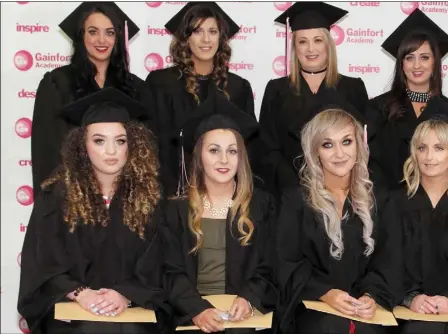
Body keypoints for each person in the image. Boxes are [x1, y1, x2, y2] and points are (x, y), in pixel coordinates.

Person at [18, 88, 169, 334]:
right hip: (72, 309)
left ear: (132, 145)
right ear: (82, 146)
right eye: (99, 140)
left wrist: (125, 294)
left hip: (133, 309)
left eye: (120, 141)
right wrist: (81, 294)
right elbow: (43, 261)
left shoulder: (150, 197)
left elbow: (161, 262)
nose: (111, 151)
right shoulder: (56, 196)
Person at [274, 108, 402, 333]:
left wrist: (371, 296)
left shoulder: (380, 199)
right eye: (328, 145)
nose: (339, 153)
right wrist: (326, 293)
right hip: (312, 306)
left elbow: (389, 261)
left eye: (346, 141)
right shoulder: (296, 200)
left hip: (365, 310)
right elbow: (286, 262)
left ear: (359, 145)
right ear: (315, 152)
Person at [160, 90, 277, 333]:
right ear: (199, 157)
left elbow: (270, 265)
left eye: (232, 151)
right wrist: (196, 309)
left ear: (241, 157)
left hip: (244, 316)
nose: (224, 160)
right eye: (214, 150)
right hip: (191, 316)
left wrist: (248, 298)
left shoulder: (260, 206)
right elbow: (170, 271)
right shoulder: (177, 210)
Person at [32, 2, 152, 195]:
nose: (101, 40)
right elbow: (45, 149)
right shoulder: (57, 84)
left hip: (123, 198)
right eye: (93, 32)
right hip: (72, 196)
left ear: (118, 38)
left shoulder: (136, 88)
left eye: (110, 33)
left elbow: (144, 150)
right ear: (81, 36)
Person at [147, 2, 257, 197]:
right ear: (186, 38)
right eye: (197, 31)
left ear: (221, 38)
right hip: (175, 192)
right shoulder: (161, 84)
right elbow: (154, 142)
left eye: (213, 31)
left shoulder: (238, 88)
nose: (206, 39)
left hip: (225, 194)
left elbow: (246, 149)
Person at [258, 2, 369, 196]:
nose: (310, 49)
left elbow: (361, 146)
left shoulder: (352, 88)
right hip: (289, 193)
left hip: (341, 193)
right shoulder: (276, 90)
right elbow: (268, 149)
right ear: (294, 47)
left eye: (317, 40)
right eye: (302, 41)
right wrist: (294, 185)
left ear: (328, 44)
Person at [393, 114, 448, 334]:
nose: (429, 156)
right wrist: (410, 298)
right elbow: (386, 261)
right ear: (414, 153)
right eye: (422, 148)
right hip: (405, 312)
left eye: (439, 148)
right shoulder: (395, 203)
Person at [367, 9, 448, 189]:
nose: (417, 65)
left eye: (424, 57)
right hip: (388, 206)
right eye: (410, 58)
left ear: (435, 62)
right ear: (401, 64)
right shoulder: (378, 109)